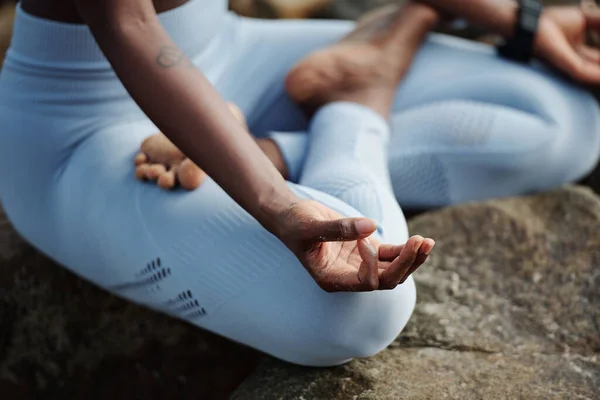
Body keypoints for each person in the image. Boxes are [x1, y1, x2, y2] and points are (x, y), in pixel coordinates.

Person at [0, 0, 598, 367]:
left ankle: (280, 142)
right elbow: (126, 22)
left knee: (568, 120)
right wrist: (278, 204)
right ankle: (358, 102)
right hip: (83, 132)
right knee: (365, 303)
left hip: (226, 50)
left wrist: (524, 21)